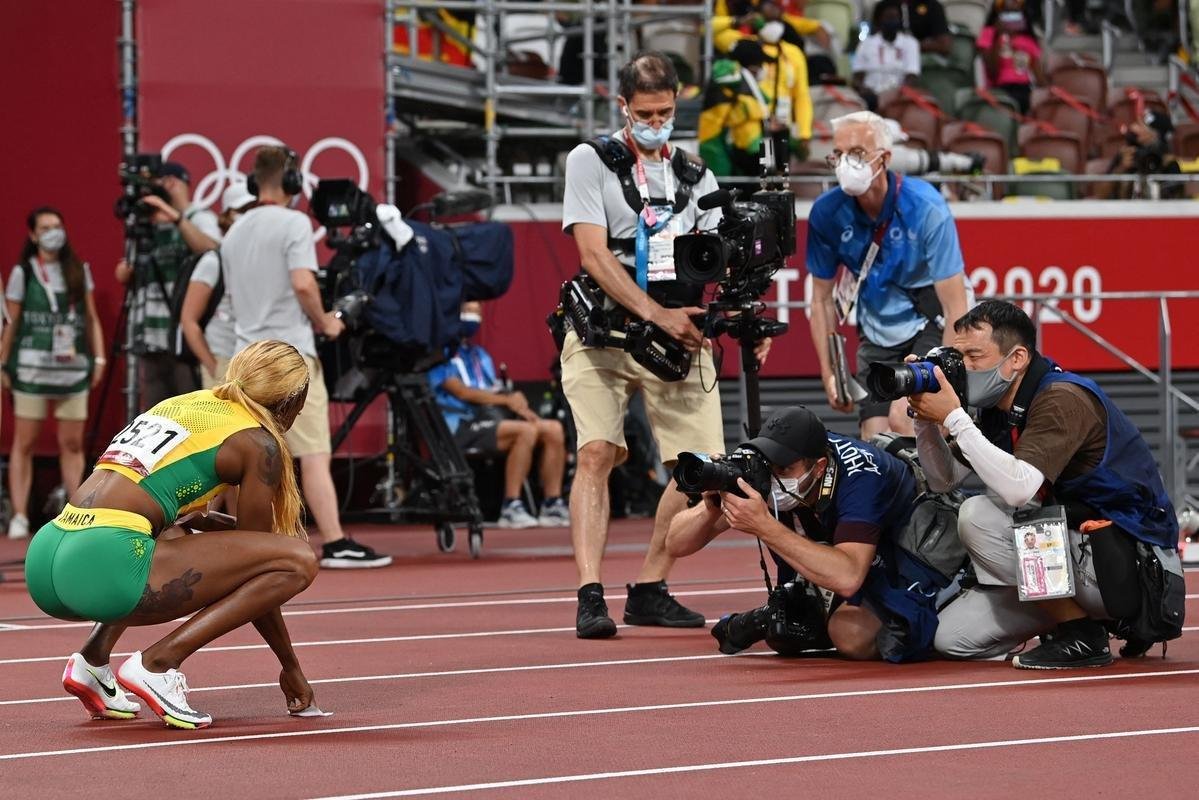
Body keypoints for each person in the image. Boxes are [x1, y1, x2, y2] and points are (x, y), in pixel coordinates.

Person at [561, 52, 765, 638]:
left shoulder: (699, 176)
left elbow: (719, 263)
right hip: (602, 330)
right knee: (597, 451)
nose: (656, 121)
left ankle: (650, 585)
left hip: (679, 337)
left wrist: (736, 318)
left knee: (699, 469)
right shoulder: (591, 160)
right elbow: (594, 254)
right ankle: (589, 593)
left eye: (666, 110)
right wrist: (654, 311)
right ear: (622, 106)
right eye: (645, 112)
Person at [23, 340, 320, 728]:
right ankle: (158, 664)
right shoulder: (258, 442)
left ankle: (91, 662)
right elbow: (261, 564)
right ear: (292, 401)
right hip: (105, 566)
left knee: (173, 532)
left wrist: (208, 524)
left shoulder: (187, 403)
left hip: (49, 553)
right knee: (297, 559)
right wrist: (290, 666)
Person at [909, 300, 1180, 668]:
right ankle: (1072, 620)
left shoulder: (1061, 398)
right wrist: (924, 419)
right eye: (958, 357)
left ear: (1017, 358)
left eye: (974, 355)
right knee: (951, 638)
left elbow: (1019, 488)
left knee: (979, 515)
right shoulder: (997, 407)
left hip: (1128, 564)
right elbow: (944, 479)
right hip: (1067, 555)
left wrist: (955, 418)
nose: (964, 367)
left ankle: (1082, 634)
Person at [221, 145, 390, 569]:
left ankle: (246, 546)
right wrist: (326, 322)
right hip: (290, 357)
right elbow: (302, 283)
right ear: (293, 183)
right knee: (313, 452)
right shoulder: (295, 223)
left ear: (252, 181)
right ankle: (334, 542)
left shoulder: (233, 232)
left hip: (244, 359)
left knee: (247, 455)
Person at [665, 406, 941, 662]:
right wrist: (711, 506)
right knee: (786, 629)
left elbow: (848, 577)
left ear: (820, 466)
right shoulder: (764, 474)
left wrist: (764, 525)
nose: (775, 476)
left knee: (850, 634)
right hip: (851, 559)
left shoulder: (861, 477)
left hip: (907, 558)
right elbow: (675, 544)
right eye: (771, 465)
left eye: (785, 468)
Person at [806, 110, 969, 440]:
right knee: (875, 442)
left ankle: (934, 490)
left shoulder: (926, 206)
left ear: (885, 158)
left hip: (930, 324)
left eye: (856, 154)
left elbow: (956, 305)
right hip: (877, 333)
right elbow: (821, 300)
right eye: (838, 155)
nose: (844, 164)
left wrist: (945, 377)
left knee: (904, 418)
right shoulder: (826, 212)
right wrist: (830, 372)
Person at [1, 207, 105, 540]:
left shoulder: (78, 270)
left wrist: (99, 359)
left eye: (57, 226)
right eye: (45, 228)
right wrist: (3, 362)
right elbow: (12, 323)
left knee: (72, 444)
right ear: (33, 235)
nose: (53, 233)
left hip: (72, 372)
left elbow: (90, 318)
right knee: (25, 443)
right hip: (31, 372)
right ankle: (19, 516)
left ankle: (76, 512)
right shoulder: (24, 273)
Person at [429, 301, 570, 528]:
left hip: (490, 419)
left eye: (477, 312)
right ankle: (511, 505)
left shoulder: (479, 354)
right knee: (524, 432)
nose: (473, 317)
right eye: (467, 311)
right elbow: (461, 392)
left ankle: (552, 504)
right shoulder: (438, 353)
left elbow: (491, 389)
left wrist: (520, 406)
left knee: (552, 428)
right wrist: (506, 400)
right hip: (457, 426)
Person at [115, 161, 222, 410]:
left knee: (191, 412)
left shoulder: (199, 217)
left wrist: (175, 218)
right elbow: (131, 269)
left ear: (173, 182)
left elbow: (213, 250)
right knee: (157, 414)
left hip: (184, 334)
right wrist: (125, 272)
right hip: (150, 333)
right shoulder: (147, 223)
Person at [698, 31, 812, 177]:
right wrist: (765, 122)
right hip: (715, 144)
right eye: (760, 64)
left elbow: (759, 108)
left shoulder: (745, 87)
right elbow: (737, 113)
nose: (762, 69)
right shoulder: (729, 78)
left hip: (734, 149)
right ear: (750, 65)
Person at [179, 180, 256, 389]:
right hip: (224, 360)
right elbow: (188, 320)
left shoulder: (263, 260)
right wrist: (214, 368)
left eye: (254, 208)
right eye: (243, 210)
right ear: (226, 216)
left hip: (256, 364)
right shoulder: (214, 262)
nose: (249, 215)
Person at [977, 0, 1045, 116]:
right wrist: (998, 36)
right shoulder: (988, 34)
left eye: (1015, 15)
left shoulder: (1028, 40)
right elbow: (992, 71)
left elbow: (1039, 78)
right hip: (999, 90)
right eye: (1007, 15)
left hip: (1024, 89)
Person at [1099, 108, 1184, 200]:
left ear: (1154, 135)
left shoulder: (1168, 162)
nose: (1132, 127)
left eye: (1139, 125)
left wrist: (1157, 171)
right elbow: (1100, 195)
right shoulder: (1127, 154)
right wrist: (1121, 169)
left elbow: (1176, 201)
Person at [852, 1, 922, 112]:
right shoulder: (866, 44)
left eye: (895, 17)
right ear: (879, 20)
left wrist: (896, 94)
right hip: (871, 96)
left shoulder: (910, 43)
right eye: (888, 18)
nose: (892, 21)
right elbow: (857, 77)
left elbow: (912, 76)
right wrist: (864, 90)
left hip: (898, 96)